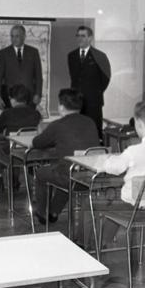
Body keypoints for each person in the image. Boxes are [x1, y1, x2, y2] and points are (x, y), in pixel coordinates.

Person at [33, 88, 100, 224]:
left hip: (71, 178)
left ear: (61, 107)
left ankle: (42, 213)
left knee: (42, 173)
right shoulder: (90, 122)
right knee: (67, 169)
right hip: (92, 177)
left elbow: (37, 143)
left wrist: (40, 132)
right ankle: (53, 211)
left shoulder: (57, 125)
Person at [0, 84, 42, 189]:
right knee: (10, 145)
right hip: (30, 152)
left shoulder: (7, 113)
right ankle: (14, 179)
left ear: (13, 100)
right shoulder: (36, 114)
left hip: (11, 152)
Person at [67, 26, 111, 137]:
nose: (79, 38)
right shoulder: (71, 56)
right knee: (77, 131)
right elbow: (74, 77)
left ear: (90, 38)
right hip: (76, 102)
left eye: (83, 36)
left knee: (94, 131)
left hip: (93, 102)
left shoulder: (100, 56)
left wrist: (95, 92)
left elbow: (106, 78)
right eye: (78, 36)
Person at [0, 24, 43, 108]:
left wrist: (38, 94)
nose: (14, 39)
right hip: (10, 98)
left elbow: (38, 75)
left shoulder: (33, 52)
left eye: (17, 36)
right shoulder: (3, 53)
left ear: (24, 36)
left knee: (29, 116)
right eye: (12, 36)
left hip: (29, 98)